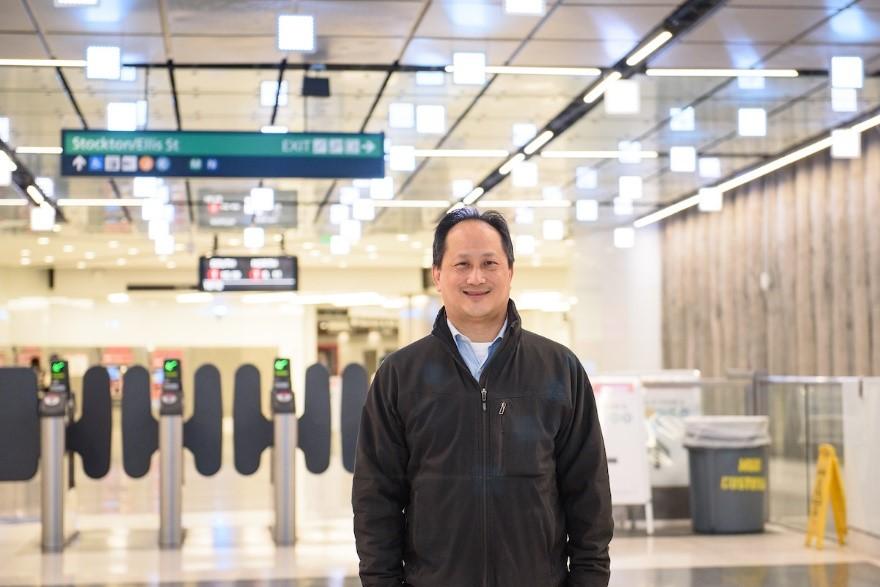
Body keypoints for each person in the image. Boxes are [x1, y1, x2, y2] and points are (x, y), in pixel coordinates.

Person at [352, 207, 613, 587]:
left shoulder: (559, 369)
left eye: (489, 263)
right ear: (438, 275)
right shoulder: (399, 375)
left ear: (510, 271)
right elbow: (376, 497)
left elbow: (589, 492)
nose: (476, 277)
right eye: (462, 264)